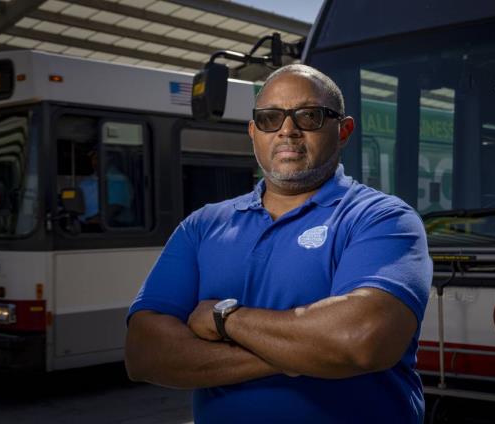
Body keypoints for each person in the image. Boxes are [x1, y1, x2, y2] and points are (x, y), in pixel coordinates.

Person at [125, 64, 432, 423]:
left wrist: (224, 318)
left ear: (344, 130)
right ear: (253, 133)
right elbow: (143, 353)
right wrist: (302, 353)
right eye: (270, 118)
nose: (288, 130)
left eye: (309, 116)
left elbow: (360, 339)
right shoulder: (202, 226)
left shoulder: (383, 218)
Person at [79, 148, 133, 226]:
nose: (94, 162)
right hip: (83, 226)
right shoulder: (87, 180)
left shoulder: (118, 179)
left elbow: (115, 208)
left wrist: (92, 222)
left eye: (97, 158)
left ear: (109, 159)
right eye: (92, 158)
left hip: (111, 229)